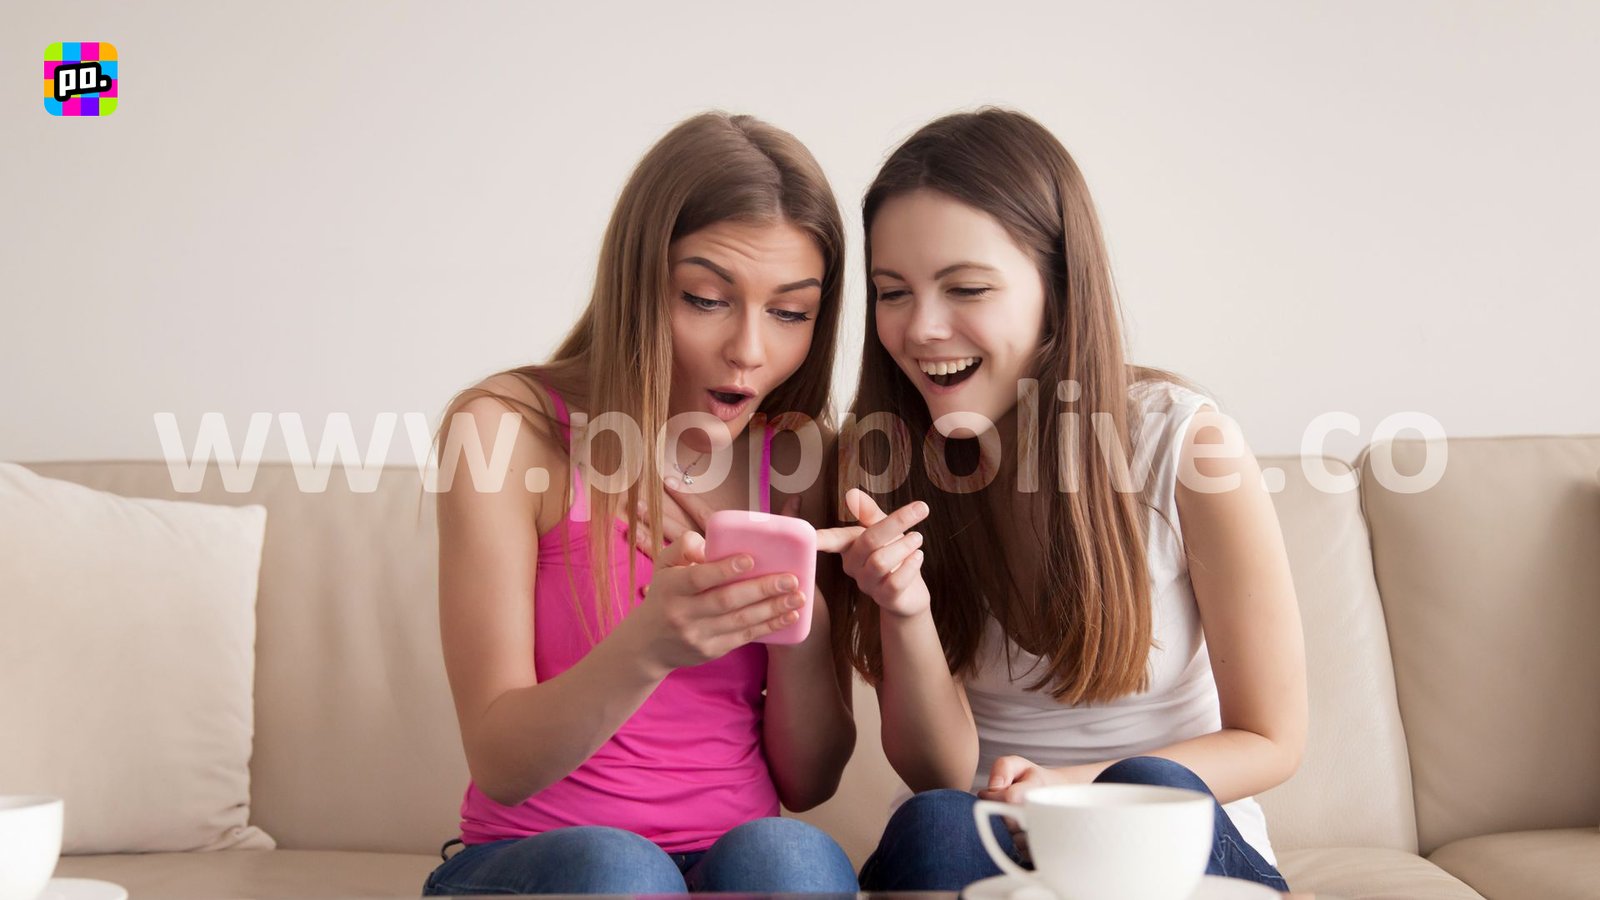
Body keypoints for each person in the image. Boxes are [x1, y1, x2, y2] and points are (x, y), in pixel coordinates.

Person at [823, 108, 1306, 892]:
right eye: (892, 293)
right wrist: (903, 607)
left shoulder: (1186, 446)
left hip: (1162, 836)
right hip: (988, 834)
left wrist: (1073, 790)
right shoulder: (876, 462)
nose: (921, 329)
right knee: (936, 820)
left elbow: (1272, 740)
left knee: (1153, 783)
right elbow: (936, 771)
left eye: (967, 288)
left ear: (1058, 287)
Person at [422, 111, 859, 896]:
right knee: (620, 870)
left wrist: (804, 624)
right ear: (637, 282)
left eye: (791, 312)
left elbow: (810, 783)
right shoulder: (505, 429)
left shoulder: (797, 456)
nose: (750, 350)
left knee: (792, 860)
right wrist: (650, 646)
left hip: (724, 860)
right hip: (539, 861)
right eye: (706, 298)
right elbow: (501, 766)